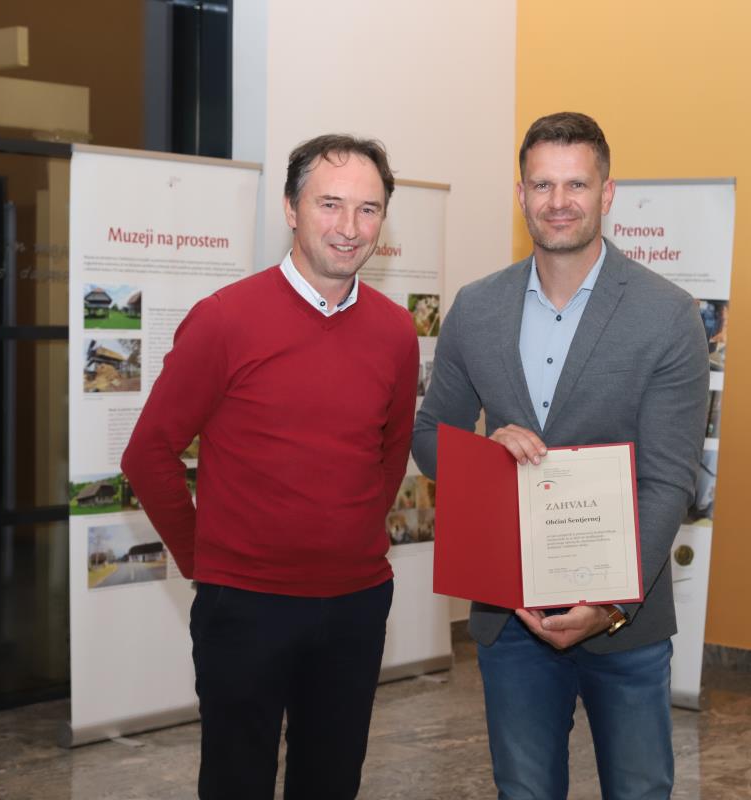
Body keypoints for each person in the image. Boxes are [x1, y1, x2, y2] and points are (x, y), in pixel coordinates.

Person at [412, 112, 708, 799]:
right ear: (521, 195)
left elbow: (669, 480)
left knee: (638, 791)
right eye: (542, 184)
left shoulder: (668, 314)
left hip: (624, 622)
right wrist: (482, 454)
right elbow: (428, 436)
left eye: (577, 184)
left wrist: (608, 603)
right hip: (510, 615)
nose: (559, 201)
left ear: (608, 194)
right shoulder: (476, 308)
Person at [122, 134, 419, 800]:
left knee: (332, 782)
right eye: (330, 204)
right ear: (291, 208)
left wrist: (344, 541)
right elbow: (147, 454)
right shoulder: (224, 320)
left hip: (356, 602)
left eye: (368, 209)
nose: (349, 227)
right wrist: (206, 560)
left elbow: (388, 453)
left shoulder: (396, 331)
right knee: (237, 783)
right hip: (245, 605)